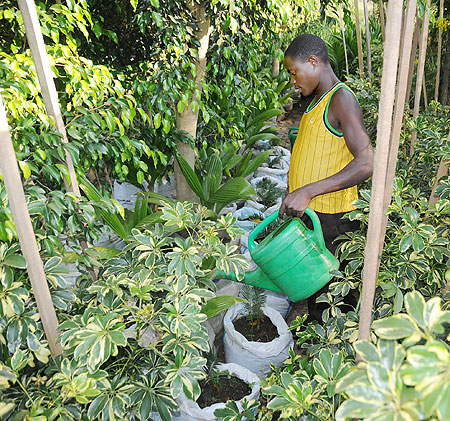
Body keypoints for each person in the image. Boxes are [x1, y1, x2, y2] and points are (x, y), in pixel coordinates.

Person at [279, 34, 374, 321]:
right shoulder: (316, 102)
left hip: (334, 220)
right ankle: (317, 349)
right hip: (315, 217)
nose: (293, 81)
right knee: (317, 293)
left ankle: (336, 358)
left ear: (313, 62)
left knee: (334, 300)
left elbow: (367, 162)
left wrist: (307, 191)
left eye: (294, 73)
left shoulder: (341, 99)